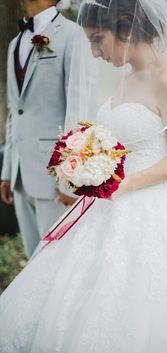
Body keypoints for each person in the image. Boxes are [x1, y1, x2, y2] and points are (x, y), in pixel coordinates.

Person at [0, 0, 167, 352]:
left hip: (149, 205)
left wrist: (128, 183)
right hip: (106, 201)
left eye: (98, 39)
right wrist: (85, 160)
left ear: (126, 29)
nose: (94, 52)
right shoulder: (126, 78)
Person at [0, 0, 77, 258]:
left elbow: (78, 108)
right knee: (34, 262)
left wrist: (70, 176)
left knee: (56, 260)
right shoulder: (14, 44)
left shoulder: (71, 36)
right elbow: (15, 110)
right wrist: (8, 170)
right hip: (21, 175)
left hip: (54, 176)